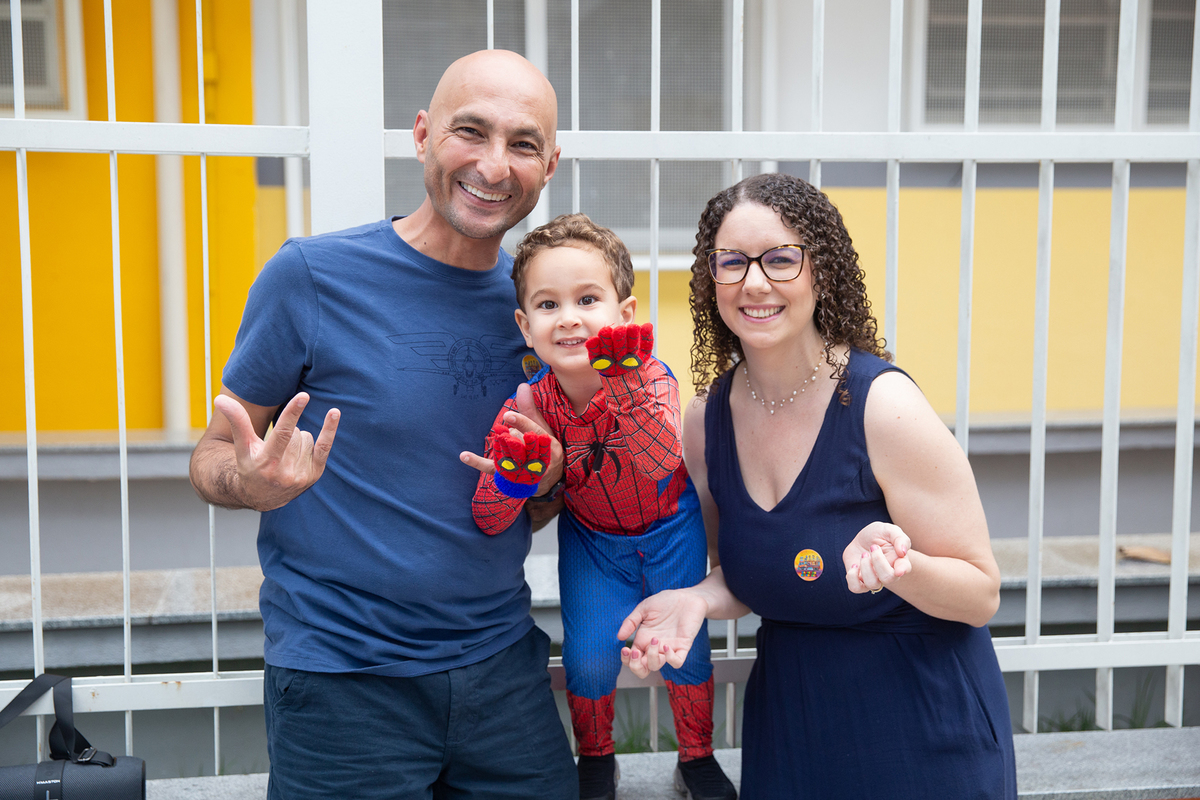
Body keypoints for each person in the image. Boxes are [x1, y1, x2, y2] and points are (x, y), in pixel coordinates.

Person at [188, 50, 579, 800]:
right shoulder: (310, 276)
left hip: (503, 671)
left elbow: (522, 503)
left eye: (523, 143)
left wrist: (547, 483)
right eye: (471, 132)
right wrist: (252, 483)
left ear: (550, 164)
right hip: (342, 682)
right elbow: (210, 456)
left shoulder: (543, 310)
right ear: (423, 134)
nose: (494, 166)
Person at [617, 173, 1017, 798]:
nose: (754, 282)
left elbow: (981, 594)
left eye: (781, 259)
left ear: (821, 273)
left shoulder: (883, 406)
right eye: (732, 262)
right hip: (792, 729)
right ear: (710, 280)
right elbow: (747, 572)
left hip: (921, 728)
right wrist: (696, 600)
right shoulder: (705, 421)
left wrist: (898, 568)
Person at [461, 214, 737, 800]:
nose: (568, 317)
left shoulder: (652, 377)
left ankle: (696, 756)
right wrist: (513, 479)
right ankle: (596, 759)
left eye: (587, 299)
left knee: (684, 652)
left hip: (672, 528)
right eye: (548, 304)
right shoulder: (527, 405)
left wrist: (624, 382)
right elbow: (489, 519)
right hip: (593, 542)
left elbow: (658, 461)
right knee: (587, 660)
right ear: (525, 325)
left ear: (624, 314)